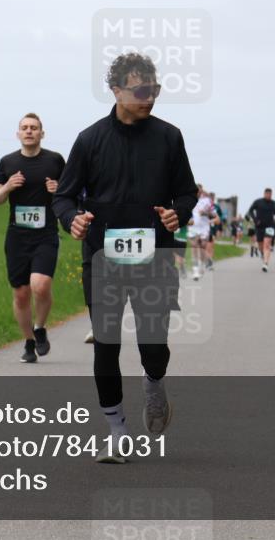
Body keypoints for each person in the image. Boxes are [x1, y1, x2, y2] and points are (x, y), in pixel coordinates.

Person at [53, 52, 197, 464]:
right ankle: (116, 430)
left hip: (154, 258)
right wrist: (71, 219)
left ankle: (154, 385)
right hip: (102, 258)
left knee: (153, 345)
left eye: (153, 89)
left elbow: (187, 192)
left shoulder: (169, 137)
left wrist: (178, 212)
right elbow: (64, 195)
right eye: (139, 90)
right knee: (106, 345)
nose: (148, 97)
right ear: (115, 91)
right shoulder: (90, 139)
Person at [0, 113, 66, 363]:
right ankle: (29, 341)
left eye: (34, 128)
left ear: (42, 133)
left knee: (40, 285)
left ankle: (40, 327)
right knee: (21, 294)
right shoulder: (8, 162)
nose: (29, 131)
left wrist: (59, 190)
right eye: (24, 128)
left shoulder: (55, 161)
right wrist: (8, 187)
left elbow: (70, 193)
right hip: (17, 236)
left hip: (46, 234)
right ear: (18, 134)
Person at [248, 188, 275, 272]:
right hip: (259, 226)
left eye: (270, 194)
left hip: (270, 226)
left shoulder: (273, 203)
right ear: (264, 194)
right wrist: (255, 220)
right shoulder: (258, 202)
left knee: (267, 245)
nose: (269, 196)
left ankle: (265, 264)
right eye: (267, 194)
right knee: (260, 245)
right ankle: (263, 254)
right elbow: (250, 211)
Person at [188, 185, 215, 280]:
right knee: (194, 247)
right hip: (193, 228)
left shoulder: (207, 201)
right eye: (196, 191)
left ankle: (201, 265)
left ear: (202, 192)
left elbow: (214, 214)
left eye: (199, 191)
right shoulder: (189, 200)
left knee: (203, 247)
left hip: (204, 228)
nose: (198, 193)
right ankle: (195, 270)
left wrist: (205, 213)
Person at [206, 192, 223, 270]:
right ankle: (209, 262)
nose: (211, 199)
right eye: (210, 198)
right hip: (206, 228)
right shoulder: (205, 206)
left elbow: (220, 218)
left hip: (214, 228)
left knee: (211, 246)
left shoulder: (216, 207)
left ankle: (209, 261)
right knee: (208, 246)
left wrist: (219, 229)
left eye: (212, 198)